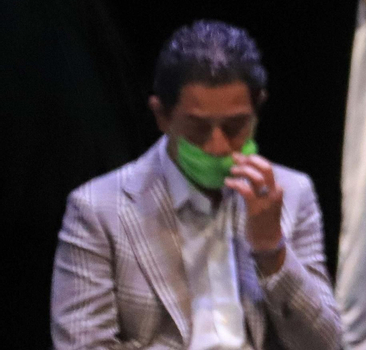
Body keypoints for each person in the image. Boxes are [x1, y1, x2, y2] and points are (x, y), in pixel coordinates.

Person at [50, 20, 343, 350]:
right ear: (162, 116)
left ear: (257, 110)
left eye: (235, 127)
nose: (217, 147)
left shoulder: (291, 193)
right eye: (198, 129)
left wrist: (271, 250)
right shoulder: (97, 209)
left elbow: (326, 345)